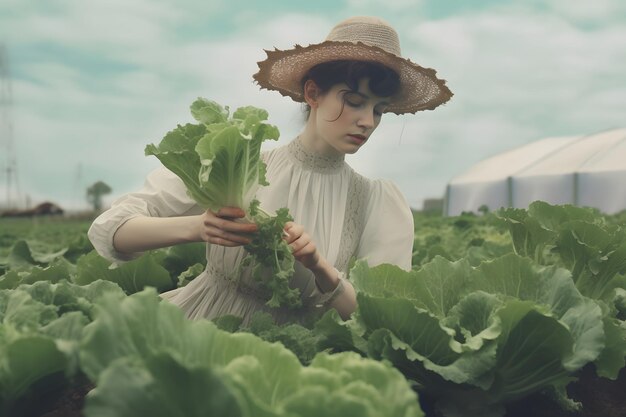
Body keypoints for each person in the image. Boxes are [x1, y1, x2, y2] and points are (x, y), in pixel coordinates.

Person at [88, 15, 452, 325]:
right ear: (312, 93)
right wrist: (198, 227)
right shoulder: (239, 164)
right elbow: (111, 232)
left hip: (294, 357)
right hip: (200, 327)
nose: (367, 122)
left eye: (378, 110)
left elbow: (379, 316)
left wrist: (321, 267)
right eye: (354, 102)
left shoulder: (374, 199)